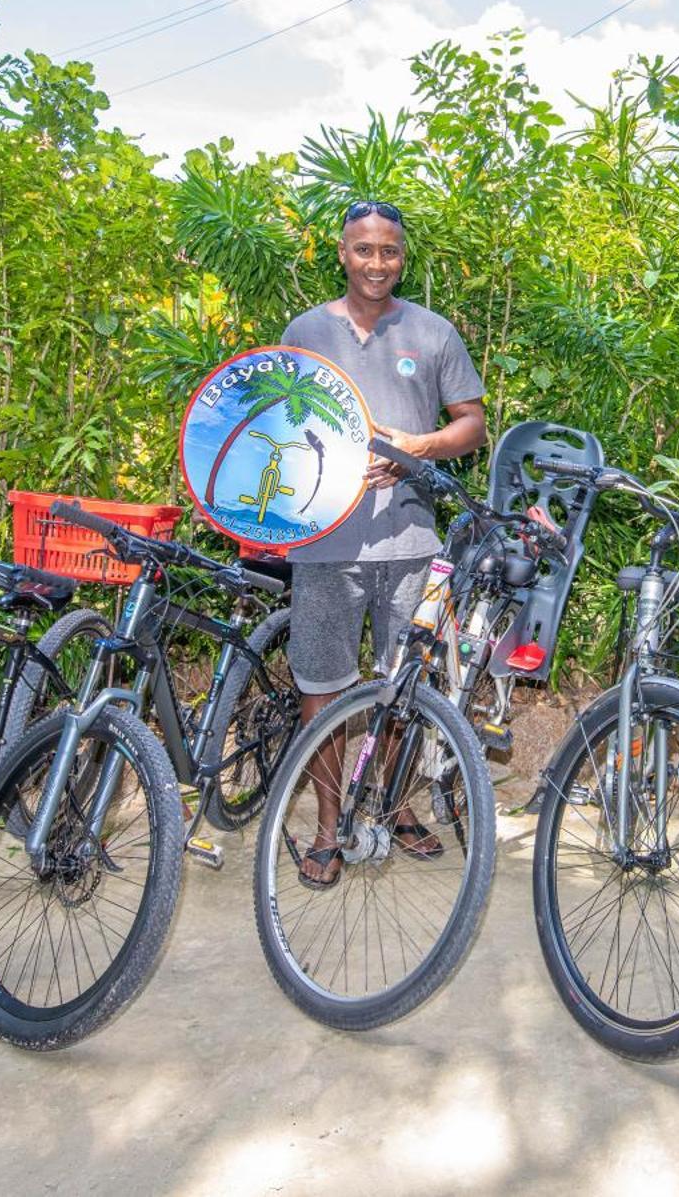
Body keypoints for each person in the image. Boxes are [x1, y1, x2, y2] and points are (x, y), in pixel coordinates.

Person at [280, 200, 486, 888]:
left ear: (404, 256)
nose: (376, 263)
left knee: (405, 686)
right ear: (341, 252)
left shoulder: (432, 333)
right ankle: (328, 826)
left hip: (408, 541)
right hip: (321, 542)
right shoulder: (306, 330)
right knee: (322, 685)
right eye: (363, 249)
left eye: (389, 251)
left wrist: (420, 447)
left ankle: (395, 807)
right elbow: (275, 419)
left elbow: (473, 424)